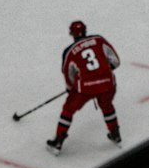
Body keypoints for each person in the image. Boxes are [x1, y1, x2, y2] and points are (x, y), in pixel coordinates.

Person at [46, 21, 121, 153]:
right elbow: (115, 61)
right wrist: (104, 73)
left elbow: (68, 74)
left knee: (68, 109)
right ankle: (115, 134)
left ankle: (58, 140)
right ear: (86, 30)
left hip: (86, 88)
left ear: (71, 33)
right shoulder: (99, 40)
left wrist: (71, 88)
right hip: (108, 83)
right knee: (107, 105)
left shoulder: (68, 51)